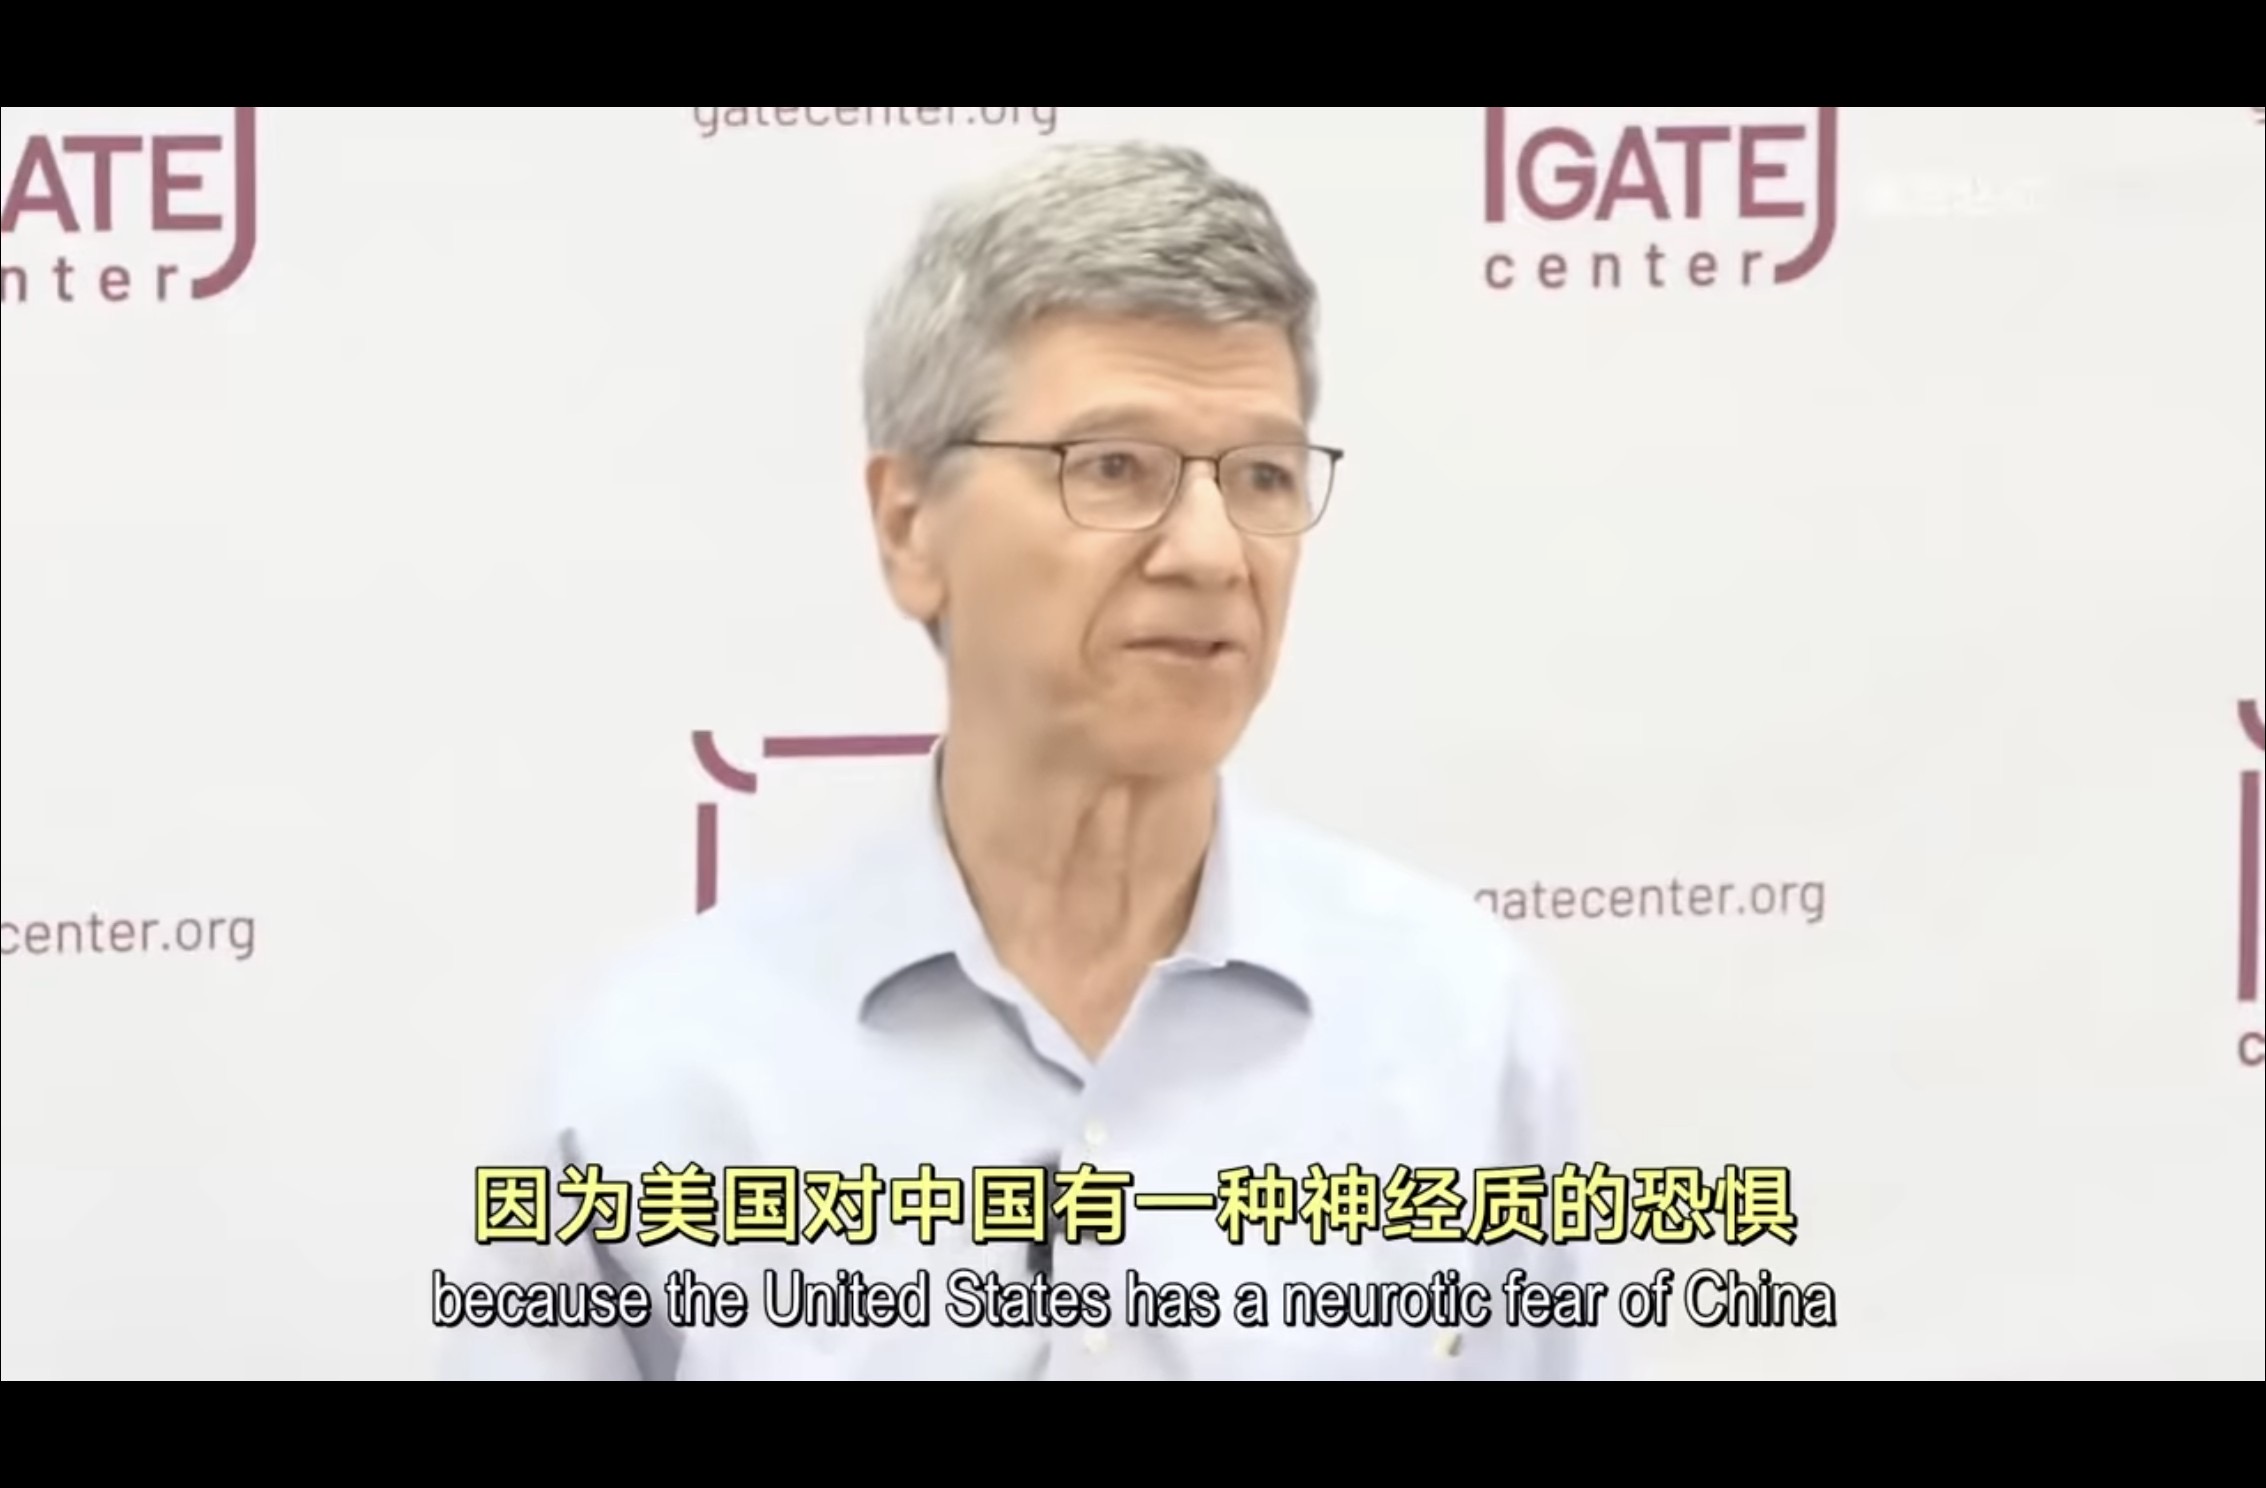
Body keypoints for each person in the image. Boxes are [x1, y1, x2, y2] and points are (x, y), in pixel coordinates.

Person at [444, 140, 1603, 1381]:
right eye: (1114, 468)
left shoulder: (1461, 1031)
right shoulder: (657, 1082)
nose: (1212, 553)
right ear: (908, 527)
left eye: (1262, 476)